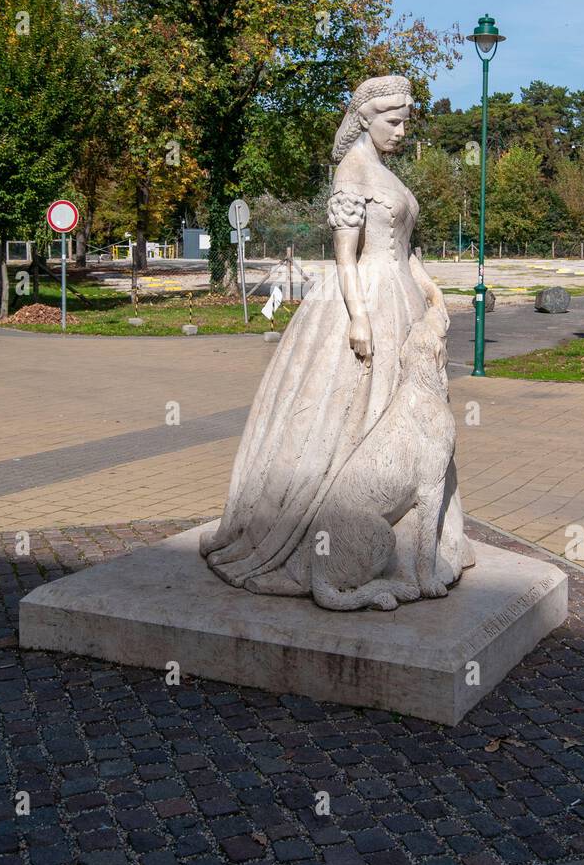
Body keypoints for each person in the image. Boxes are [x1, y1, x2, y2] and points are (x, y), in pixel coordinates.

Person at [200, 74, 471, 599]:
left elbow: (405, 251)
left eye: (404, 123)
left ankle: (421, 545)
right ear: (364, 118)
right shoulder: (352, 171)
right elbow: (345, 255)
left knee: (414, 415)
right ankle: (333, 541)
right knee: (351, 412)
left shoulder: (384, 171)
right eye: (392, 122)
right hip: (366, 297)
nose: (400, 132)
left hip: (402, 299)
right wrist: (359, 317)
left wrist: (429, 291)